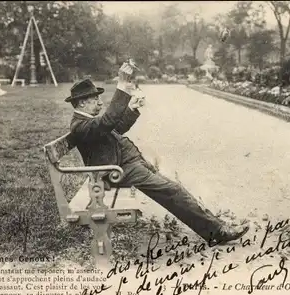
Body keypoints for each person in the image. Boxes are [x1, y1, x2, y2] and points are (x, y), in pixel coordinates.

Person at [65, 62, 249, 244]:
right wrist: (121, 85)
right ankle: (217, 231)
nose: (99, 102)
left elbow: (115, 128)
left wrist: (131, 108)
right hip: (118, 170)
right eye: (95, 99)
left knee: (174, 187)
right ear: (82, 103)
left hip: (126, 164)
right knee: (172, 190)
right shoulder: (80, 126)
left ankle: (216, 225)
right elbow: (108, 121)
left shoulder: (87, 122)